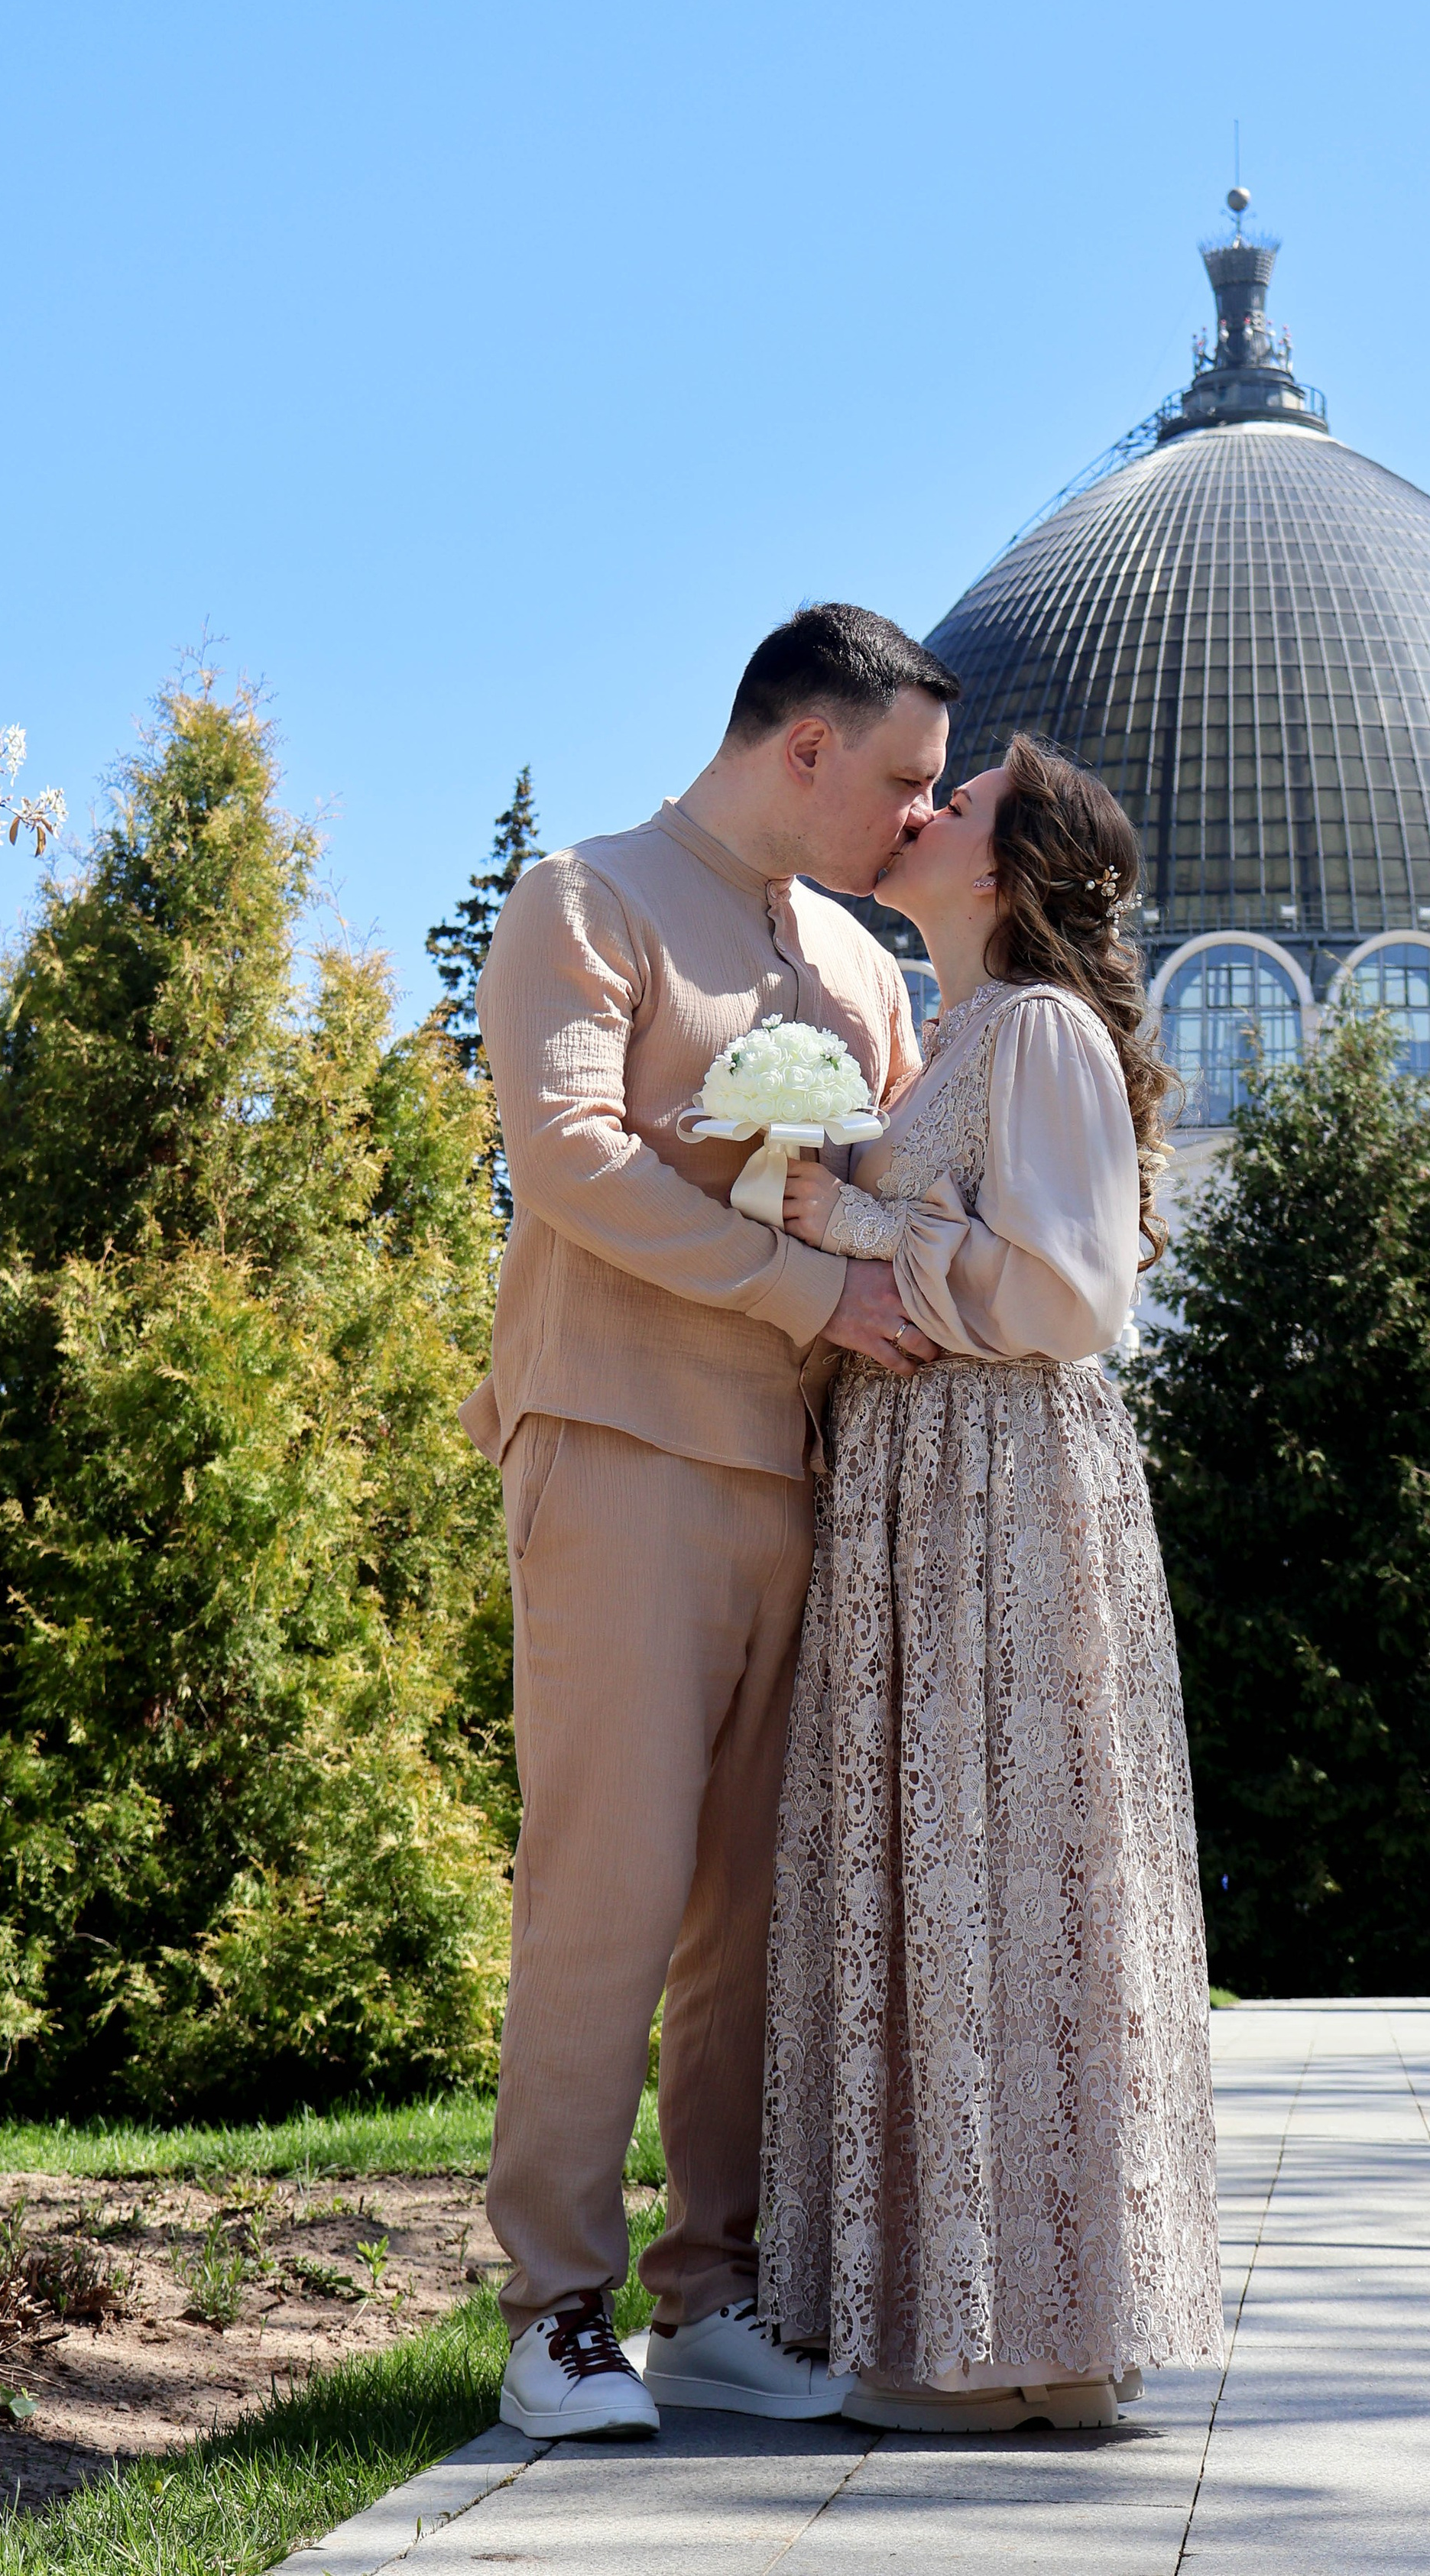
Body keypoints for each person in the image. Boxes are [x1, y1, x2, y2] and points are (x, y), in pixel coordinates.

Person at [462, 604, 958, 2440]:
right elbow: (569, 1158)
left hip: (815, 1480)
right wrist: (802, 1293)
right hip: (617, 1443)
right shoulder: (582, 899)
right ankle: (553, 2314)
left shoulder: (855, 957)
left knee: (753, 1914)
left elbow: (899, 1179)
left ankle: (712, 2296)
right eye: (898, 780)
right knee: (607, 1883)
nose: (915, 820)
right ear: (801, 747)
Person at [762, 734, 1223, 2429]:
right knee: (950, 1867)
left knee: (1005, 1866)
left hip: (999, 1482)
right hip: (920, 1484)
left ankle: (1026, 2340)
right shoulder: (949, 1032)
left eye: (949, 805)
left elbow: (1068, 1297)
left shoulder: (1031, 1027)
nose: (914, 813)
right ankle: (977, 2327)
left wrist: (855, 1225)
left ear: (1007, 868)